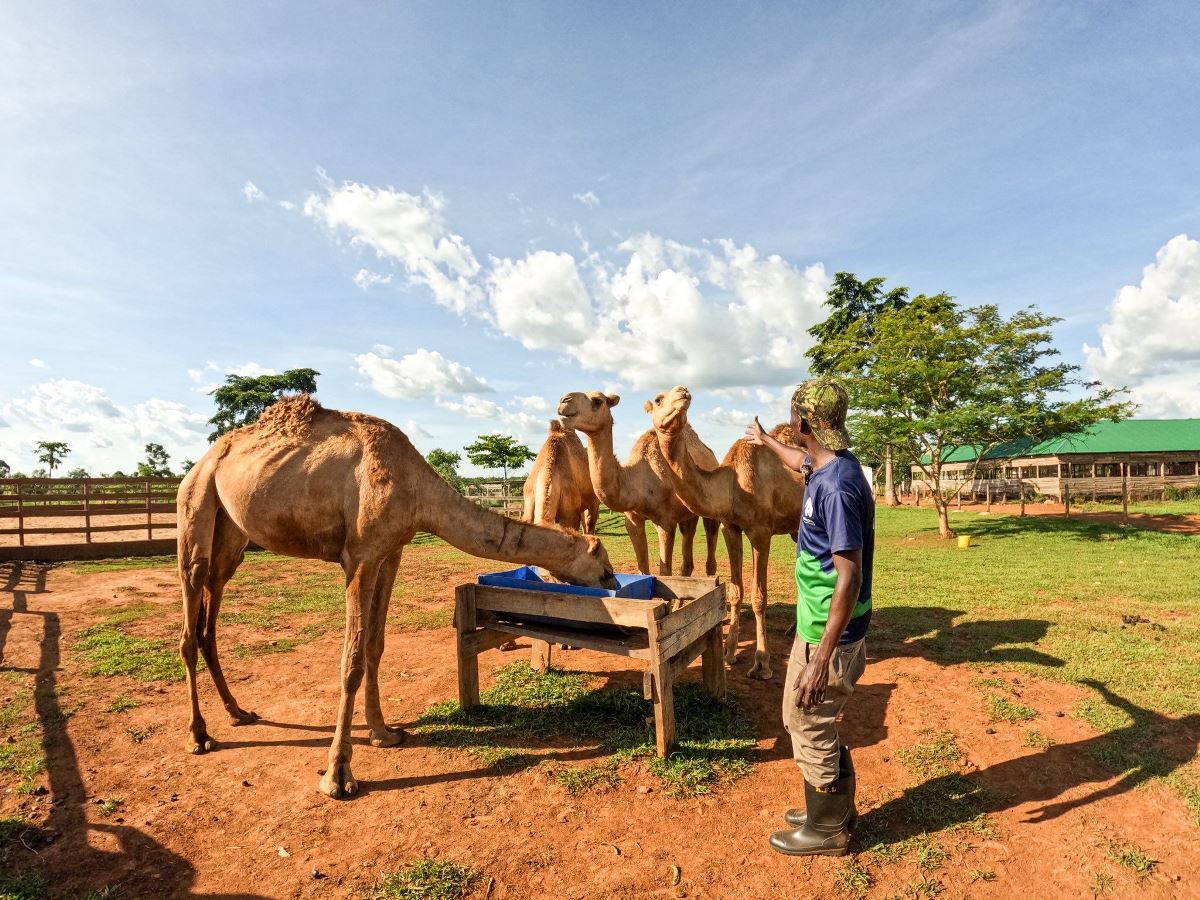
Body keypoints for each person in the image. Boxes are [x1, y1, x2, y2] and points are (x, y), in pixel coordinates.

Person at [745, 378, 874, 857]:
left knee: (807, 719)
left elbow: (849, 578)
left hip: (829, 635)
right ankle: (831, 807)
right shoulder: (826, 466)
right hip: (819, 625)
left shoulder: (836, 488)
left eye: (792, 417)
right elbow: (801, 460)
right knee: (804, 717)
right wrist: (765, 440)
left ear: (803, 421)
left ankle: (827, 830)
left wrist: (821, 658)